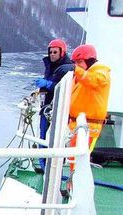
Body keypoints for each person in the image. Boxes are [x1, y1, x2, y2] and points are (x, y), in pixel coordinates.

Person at [35, 39, 74, 171]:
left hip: (58, 109)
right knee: (45, 136)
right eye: (50, 52)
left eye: (55, 52)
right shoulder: (52, 66)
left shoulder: (66, 69)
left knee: (52, 138)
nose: (52, 54)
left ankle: (51, 168)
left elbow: (66, 87)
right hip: (49, 106)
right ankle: (46, 166)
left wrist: (48, 84)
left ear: (62, 52)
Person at [68, 43, 111, 155]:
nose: (77, 65)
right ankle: (73, 173)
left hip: (89, 127)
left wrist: (75, 69)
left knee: (81, 158)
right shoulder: (81, 75)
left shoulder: (101, 73)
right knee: (73, 159)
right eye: (75, 63)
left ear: (90, 61)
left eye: (80, 62)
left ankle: (75, 172)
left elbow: (94, 80)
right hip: (76, 124)